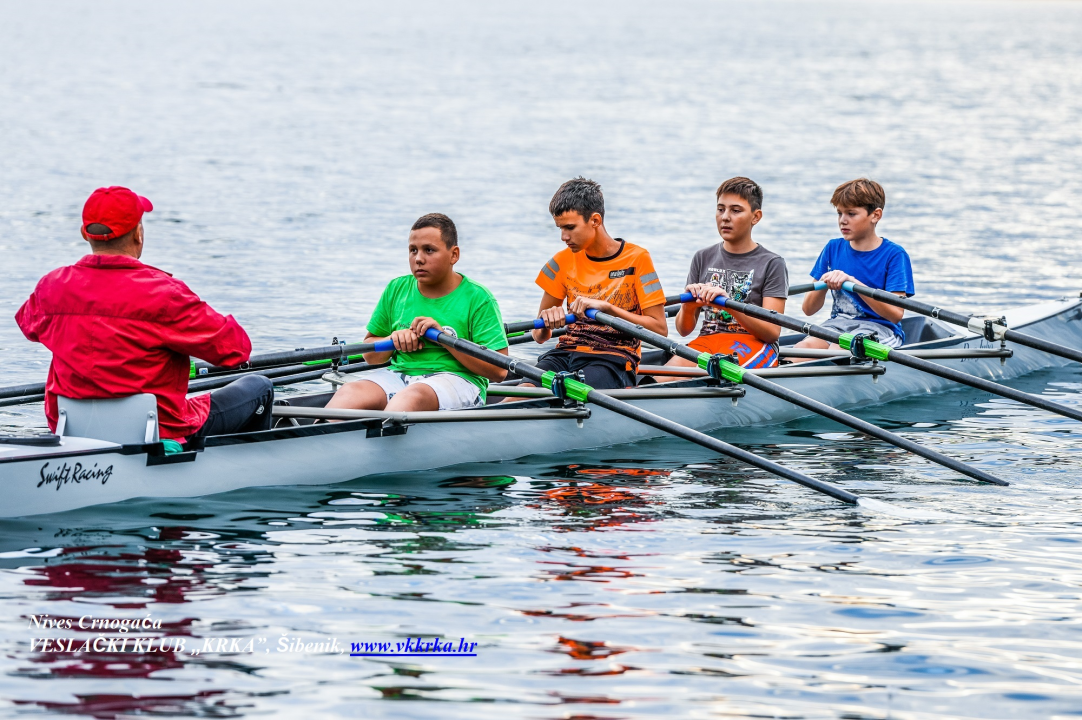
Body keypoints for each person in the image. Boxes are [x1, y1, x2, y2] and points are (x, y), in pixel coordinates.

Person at [15, 186, 273, 441]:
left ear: (86, 234)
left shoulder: (51, 286)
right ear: (138, 234)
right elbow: (236, 350)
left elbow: (28, 325)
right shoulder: (165, 293)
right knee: (259, 386)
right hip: (160, 431)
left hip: (72, 427)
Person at [325, 213, 508, 412]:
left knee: (410, 398)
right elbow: (370, 356)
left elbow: (499, 371)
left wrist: (444, 340)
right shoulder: (397, 288)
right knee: (348, 392)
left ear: (454, 255)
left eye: (429, 250)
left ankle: (382, 434)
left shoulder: (479, 298)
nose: (418, 259)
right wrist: (393, 339)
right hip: (399, 374)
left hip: (459, 380)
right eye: (413, 250)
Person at [526, 177, 668, 390]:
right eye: (560, 228)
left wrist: (608, 309)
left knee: (570, 392)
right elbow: (538, 336)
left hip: (613, 359)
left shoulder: (638, 259)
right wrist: (547, 321)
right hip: (564, 353)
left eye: (570, 227)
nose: (564, 237)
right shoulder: (560, 262)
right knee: (521, 393)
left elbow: (659, 330)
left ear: (595, 220)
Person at [662, 177, 788, 376]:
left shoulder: (772, 263)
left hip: (754, 343)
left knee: (711, 377)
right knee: (659, 378)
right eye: (720, 209)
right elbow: (684, 330)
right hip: (708, 340)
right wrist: (689, 306)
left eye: (736, 210)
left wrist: (729, 305)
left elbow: (772, 333)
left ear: (756, 217)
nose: (725, 217)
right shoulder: (702, 257)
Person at [794, 178, 915, 356]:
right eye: (839, 213)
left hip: (880, 329)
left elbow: (895, 314)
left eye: (851, 214)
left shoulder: (895, 255)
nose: (842, 221)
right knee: (802, 350)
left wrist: (852, 283)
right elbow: (808, 309)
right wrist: (824, 282)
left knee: (840, 348)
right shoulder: (832, 248)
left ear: (875, 215)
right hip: (837, 324)